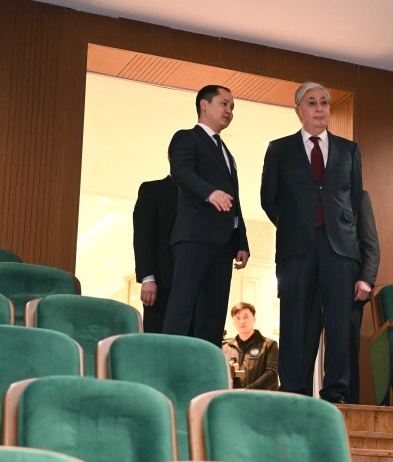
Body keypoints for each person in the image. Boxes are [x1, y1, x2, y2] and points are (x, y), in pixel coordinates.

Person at [261, 81, 363, 403]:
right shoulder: (279, 149)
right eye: (311, 102)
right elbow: (268, 199)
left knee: (339, 323)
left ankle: (336, 392)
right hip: (296, 248)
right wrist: (295, 225)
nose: (319, 108)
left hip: (339, 248)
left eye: (324, 103)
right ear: (298, 110)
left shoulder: (349, 150)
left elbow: (354, 201)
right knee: (295, 320)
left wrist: (336, 226)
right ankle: (294, 390)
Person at [163, 85, 250, 346]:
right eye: (224, 104)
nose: (229, 111)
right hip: (194, 237)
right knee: (183, 305)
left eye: (232, 107)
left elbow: (234, 199)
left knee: (214, 312)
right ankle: (169, 360)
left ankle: (206, 365)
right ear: (204, 104)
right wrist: (209, 192)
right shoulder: (186, 137)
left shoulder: (226, 152)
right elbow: (181, 171)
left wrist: (241, 240)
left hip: (223, 243)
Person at [304, 191, 380, 403]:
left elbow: (370, 243)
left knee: (346, 346)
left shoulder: (359, 196)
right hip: (310, 282)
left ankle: (347, 402)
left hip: (348, 284)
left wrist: (366, 279)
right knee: (304, 345)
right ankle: (301, 401)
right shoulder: (307, 195)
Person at [132, 162, 178, 333]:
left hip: (191, 283)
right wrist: (148, 278)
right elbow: (143, 235)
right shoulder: (152, 189)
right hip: (161, 282)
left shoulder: (199, 195)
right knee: (157, 335)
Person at [222, 302, 279, 390]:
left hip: (260, 396)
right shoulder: (226, 347)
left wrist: (247, 391)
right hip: (233, 395)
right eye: (238, 318)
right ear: (233, 321)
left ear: (254, 319)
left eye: (246, 317)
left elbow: (272, 374)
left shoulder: (269, 345)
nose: (242, 321)